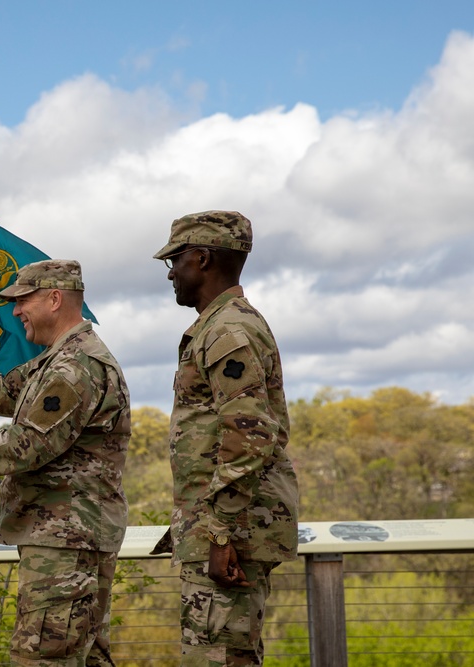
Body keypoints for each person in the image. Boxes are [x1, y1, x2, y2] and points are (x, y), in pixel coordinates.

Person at [0, 259, 131, 667]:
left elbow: (28, 444)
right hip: (66, 539)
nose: (16, 312)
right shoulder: (58, 360)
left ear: (55, 299)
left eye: (23, 301)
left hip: (67, 542)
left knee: (43, 657)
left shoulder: (75, 367)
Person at [153, 211, 299, 666]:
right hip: (224, 525)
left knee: (215, 657)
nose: (172, 274)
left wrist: (219, 532)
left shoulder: (227, 329)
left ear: (202, 258)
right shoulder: (221, 325)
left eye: (175, 261)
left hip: (232, 530)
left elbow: (249, 435)